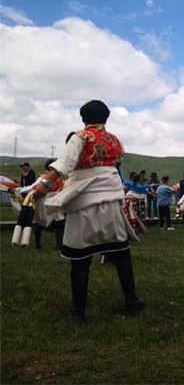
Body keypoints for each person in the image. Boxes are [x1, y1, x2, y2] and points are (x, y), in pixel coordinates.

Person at [32, 100, 144, 320]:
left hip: (83, 202)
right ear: (106, 117)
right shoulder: (115, 141)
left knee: (81, 261)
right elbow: (114, 166)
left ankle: (78, 311)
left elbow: (66, 163)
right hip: (110, 201)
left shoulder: (80, 136)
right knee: (121, 253)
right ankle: (131, 299)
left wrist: (43, 185)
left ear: (83, 118)